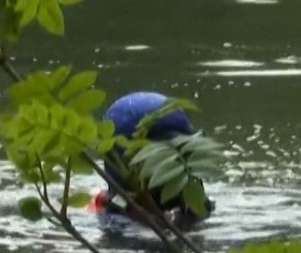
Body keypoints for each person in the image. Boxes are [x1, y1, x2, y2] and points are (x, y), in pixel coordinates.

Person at [90, 90, 215, 234]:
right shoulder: (96, 220)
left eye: (183, 151)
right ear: (122, 164)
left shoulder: (197, 209)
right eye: (160, 157)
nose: (175, 165)